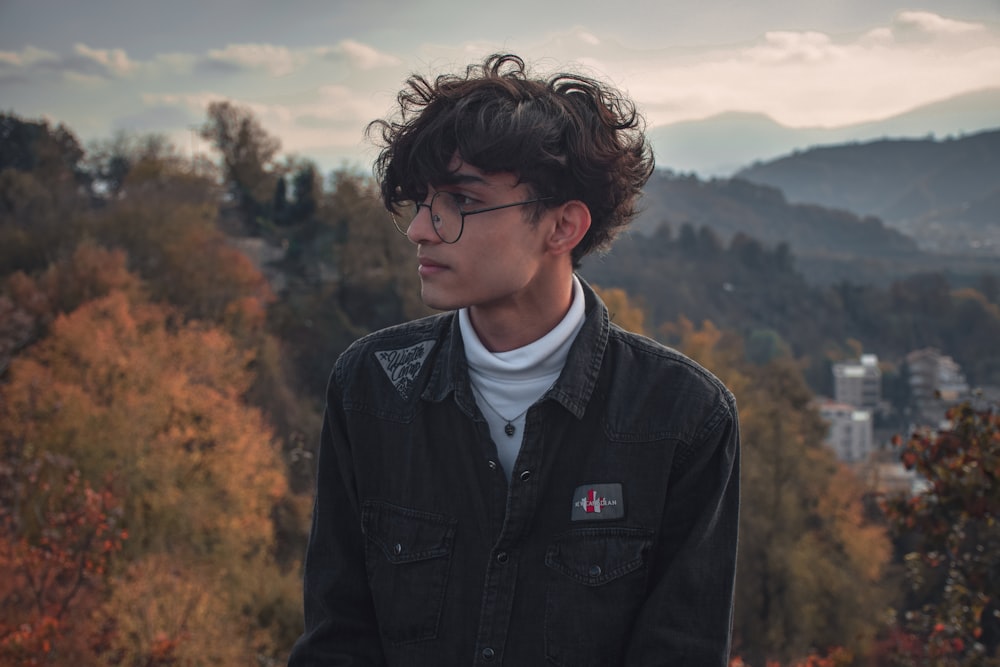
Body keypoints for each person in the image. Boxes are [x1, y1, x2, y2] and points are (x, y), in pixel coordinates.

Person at [288, 53, 740, 667]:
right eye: (420, 202)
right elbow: (337, 640)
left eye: (459, 202)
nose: (421, 227)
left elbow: (680, 649)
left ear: (562, 227)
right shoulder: (371, 389)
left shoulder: (682, 416)